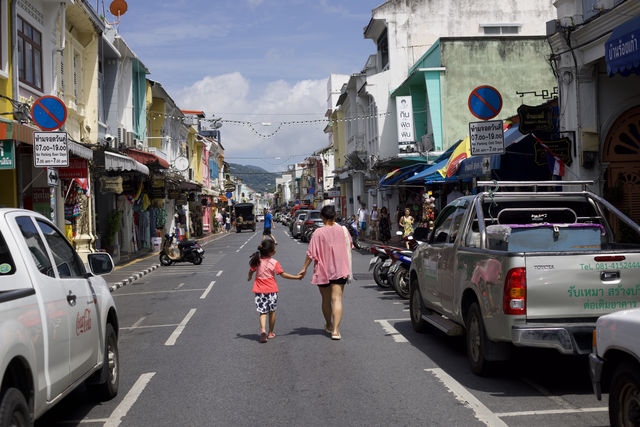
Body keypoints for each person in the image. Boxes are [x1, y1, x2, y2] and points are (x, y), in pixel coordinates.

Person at [298, 205, 352, 340]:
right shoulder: (343, 230)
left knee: (326, 300)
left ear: (322, 217)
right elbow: (349, 246)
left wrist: (304, 268)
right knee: (337, 299)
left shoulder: (318, 233)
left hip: (323, 271)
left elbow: (311, 254)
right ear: (334, 216)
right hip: (340, 269)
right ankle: (336, 330)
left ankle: (329, 324)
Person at [248, 239, 301, 343]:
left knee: (262, 312)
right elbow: (283, 274)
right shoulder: (274, 262)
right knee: (272, 312)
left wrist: (249, 277)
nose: (276, 250)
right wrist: (296, 277)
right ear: (270, 252)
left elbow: (251, 271)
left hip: (259, 291)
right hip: (272, 290)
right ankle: (270, 332)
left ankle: (263, 330)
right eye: (274, 249)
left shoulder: (257, 261)